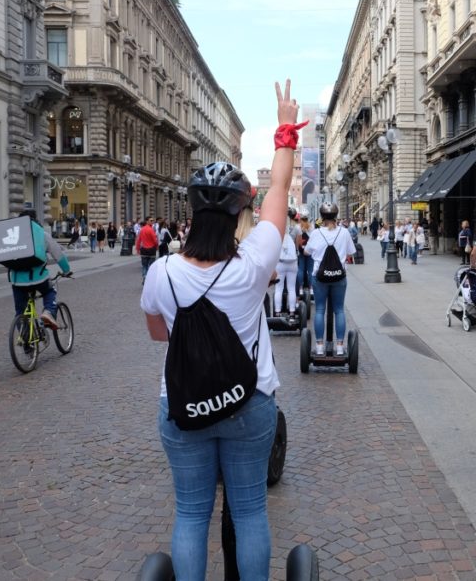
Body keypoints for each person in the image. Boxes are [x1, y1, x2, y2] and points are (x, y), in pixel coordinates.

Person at [141, 79, 302, 580]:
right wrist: (283, 132)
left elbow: (159, 335)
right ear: (238, 211)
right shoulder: (254, 263)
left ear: (190, 211)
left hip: (184, 401)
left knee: (191, 512)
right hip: (249, 401)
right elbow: (278, 190)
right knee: (250, 509)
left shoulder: (162, 272)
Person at [304, 202, 356, 357]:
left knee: (320, 309)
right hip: (339, 276)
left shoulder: (316, 233)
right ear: (336, 216)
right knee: (339, 310)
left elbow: (306, 252)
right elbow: (351, 252)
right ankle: (340, 346)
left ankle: (319, 345)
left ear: (322, 217)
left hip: (320, 277)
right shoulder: (344, 232)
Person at [8, 210, 72, 329]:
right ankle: (48, 311)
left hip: (17, 281)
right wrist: (67, 270)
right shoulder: (42, 234)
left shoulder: (14, 234)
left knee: (20, 312)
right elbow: (58, 255)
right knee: (50, 290)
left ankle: (26, 342)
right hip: (38, 278)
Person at [276, 210, 299, 314]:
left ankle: (277, 311)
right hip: (292, 261)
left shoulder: (278, 230)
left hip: (280, 262)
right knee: (291, 288)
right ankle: (292, 312)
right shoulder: (296, 228)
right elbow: (298, 244)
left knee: (279, 288)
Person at [135, 216, 159, 284]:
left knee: (144, 265)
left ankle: (145, 276)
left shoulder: (142, 229)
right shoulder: (151, 230)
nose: (152, 222)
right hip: (151, 250)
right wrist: (157, 246)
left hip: (144, 250)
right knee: (151, 266)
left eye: (153, 220)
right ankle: (148, 278)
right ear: (147, 221)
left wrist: (137, 249)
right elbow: (155, 240)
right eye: (151, 220)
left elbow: (138, 240)